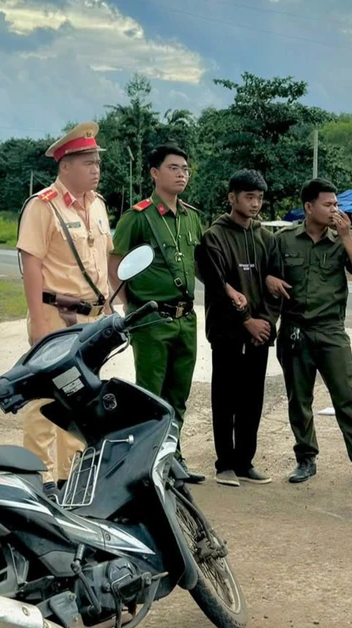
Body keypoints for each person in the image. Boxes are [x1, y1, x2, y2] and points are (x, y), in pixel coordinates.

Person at [16, 121, 112, 499]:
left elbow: (104, 262)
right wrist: (38, 326)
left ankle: (73, 478)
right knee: (44, 399)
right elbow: (32, 266)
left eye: (97, 162)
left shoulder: (100, 205)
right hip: (56, 317)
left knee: (83, 399)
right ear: (65, 165)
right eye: (87, 161)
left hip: (93, 320)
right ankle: (39, 479)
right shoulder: (42, 207)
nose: (96, 169)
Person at [268, 178, 352, 486]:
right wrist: (268, 279)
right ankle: (306, 459)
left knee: (347, 397)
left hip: (331, 330)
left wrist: (346, 237)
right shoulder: (284, 239)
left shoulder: (339, 239)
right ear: (309, 207)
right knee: (298, 399)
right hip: (294, 329)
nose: (335, 210)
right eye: (328, 204)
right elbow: (267, 273)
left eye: (336, 204)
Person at [109, 143, 205, 484]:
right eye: (174, 168)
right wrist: (124, 307)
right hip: (151, 318)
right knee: (150, 394)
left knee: (179, 394)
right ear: (154, 172)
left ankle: (172, 457)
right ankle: (145, 463)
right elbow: (116, 262)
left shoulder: (192, 217)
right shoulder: (137, 217)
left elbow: (202, 264)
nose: (182, 174)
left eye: (185, 169)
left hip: (185, 318)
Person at [194, 169, 278, 487]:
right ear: (232, 198)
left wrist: (266, 323)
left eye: (259, 198)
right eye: (248, 197)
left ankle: (245, 461)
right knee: (225, 396)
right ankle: (225, 463)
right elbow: (217, 286)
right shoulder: (213, 236)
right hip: (227, 331)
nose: (255, 204)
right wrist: (246, 322)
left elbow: (275, 286)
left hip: (260, 333)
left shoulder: (265, 237)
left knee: (252, 398)